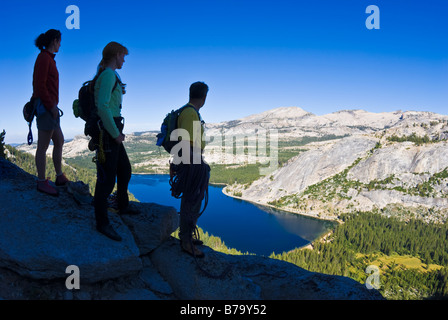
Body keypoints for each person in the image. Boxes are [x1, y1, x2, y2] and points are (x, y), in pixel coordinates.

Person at [92, 42, 137, 241]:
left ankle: (123, 205)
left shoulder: (108, 75)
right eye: (123, 56)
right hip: (109, 131)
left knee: (124, 169)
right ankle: (102, 222)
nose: (124, 60)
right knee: (107, 179)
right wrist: (115, 133)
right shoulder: (109, 75)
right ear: (117, 54)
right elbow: (103, 107)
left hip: (113, 129)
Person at [170, 82, 210, 258]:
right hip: (191, 161)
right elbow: (185, 142)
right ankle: (186, 242)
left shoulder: (190, 112)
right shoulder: (190, 114)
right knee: (191, 200)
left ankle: (187, 236)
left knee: (194, 199)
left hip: (192, 160)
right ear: (204, 97)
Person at [32, 29, 69, 196]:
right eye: (59, 41)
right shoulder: (44, 58)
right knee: (43, 146)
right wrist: (51, 106)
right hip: (47, 107)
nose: (60, 44)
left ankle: (59, 176)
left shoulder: (49, 59)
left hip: (51, 107)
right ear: (54, 40)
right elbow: (39, 85)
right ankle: (41, 181)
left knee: (59, 140)